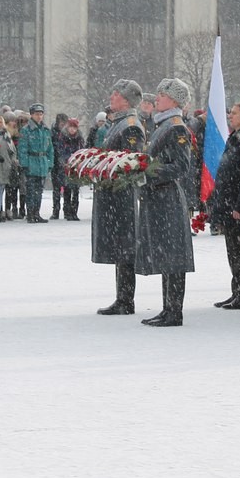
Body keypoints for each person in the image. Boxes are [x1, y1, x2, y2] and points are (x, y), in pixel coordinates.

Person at [135, 78, 197, 327]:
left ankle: (174, 311)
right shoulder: (163, 124)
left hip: (168, 196)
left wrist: (148, 173)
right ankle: (167, 308)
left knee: (173, 254)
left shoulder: (176, 127)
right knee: (165, 252)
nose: (157, 98)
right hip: (159, 196)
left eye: (162, 95)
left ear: (174, 100)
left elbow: (181, 166)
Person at [93, 79, 146, 315]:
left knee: (125, 246)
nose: (111, 97)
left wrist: (110, 175)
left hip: (122, 195)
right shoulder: (119, 123)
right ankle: (122, 298)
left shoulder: (130, 126)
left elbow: (131, 162)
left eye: (115, 94)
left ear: (125, 100)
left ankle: (126, 299)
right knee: (118, 246)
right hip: (113, 193)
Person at [210, 100, 240, 309]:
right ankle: (237, 290)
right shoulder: (237, 137)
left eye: (234, 113)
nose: (230, 116)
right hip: (229, 201)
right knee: (233, 250)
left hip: (237, 203)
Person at [19, 103, 54, 223]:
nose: (39, 116)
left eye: (41, 114)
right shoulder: (26, 130)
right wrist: (25, 164)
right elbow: (22, 149)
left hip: (42, 162)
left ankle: (36, 213)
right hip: (31, 161)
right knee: (30, 191)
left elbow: (50, 149)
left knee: (39, 191)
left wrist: (50, 163)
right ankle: (30, 213)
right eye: (36, 114)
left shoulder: (45, 130)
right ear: (32, 115)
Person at [55, 118, 84, 220]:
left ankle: (74, 212)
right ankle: (67, 211)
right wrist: (66, 161)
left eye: (74, 127)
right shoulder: (63, 137)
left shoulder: (79, 138)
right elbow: (60, 151)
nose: (72, 129)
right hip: (66, 166)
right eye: (70, 127)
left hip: (76, 166)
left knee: (76, 190)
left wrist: (78, 161)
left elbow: (82, 151)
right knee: (67, 189)